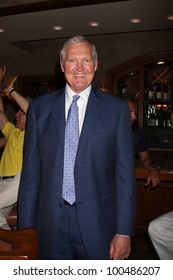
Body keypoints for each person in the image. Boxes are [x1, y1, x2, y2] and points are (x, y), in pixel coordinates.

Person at [18, 35, 136, 260]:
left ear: (96, 64)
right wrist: (26, 230)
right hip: (49, 225)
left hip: (100, 224)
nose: (80, 68)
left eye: (86, 60)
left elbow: (125, 176)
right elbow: (31, 175)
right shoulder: (39, 109)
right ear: (62, 66)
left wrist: (124, 231)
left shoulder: (116, 110)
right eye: (72, 61)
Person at [0, 65, 29, 230]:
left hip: (17, 182)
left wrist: (11, 91)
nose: (16, 114)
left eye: (20, 113)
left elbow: (35, 112)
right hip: (2, 183)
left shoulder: (33, 134)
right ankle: (12, 252)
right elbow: (1, 112)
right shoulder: (13, 132)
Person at [123, 94, 161, 188]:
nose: (134, 117)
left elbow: (145, 158)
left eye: (134, 112)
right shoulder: (101, 131)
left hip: (125, 184)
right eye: (130, 112)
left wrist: (153, 168)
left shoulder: (136, 132)